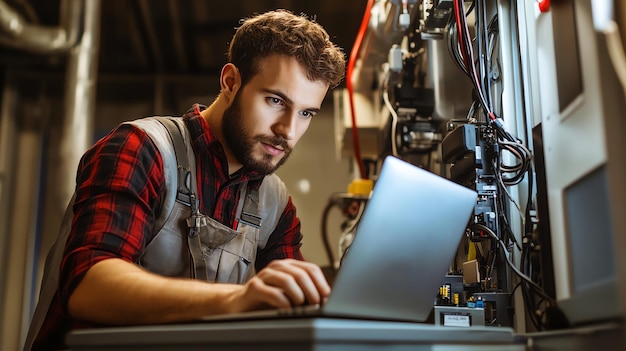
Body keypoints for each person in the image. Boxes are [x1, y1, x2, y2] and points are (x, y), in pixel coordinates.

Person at [24, 9, 346, 351]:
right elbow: (88, 285)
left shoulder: (276, 206)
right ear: (231, 82)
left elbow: (296, 312)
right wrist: (236, 300)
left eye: (306, 113)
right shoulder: (140, 149)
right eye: (276, 100)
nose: (288, 130)